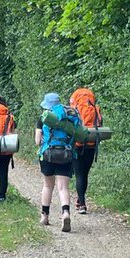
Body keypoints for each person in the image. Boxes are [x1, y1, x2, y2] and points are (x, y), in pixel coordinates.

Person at [35, 91, 79, 233]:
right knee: (63, 187)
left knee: (48, 185)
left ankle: (44, 216)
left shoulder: (44, 118)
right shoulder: (69, 115)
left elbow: (37, 142)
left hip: (48, 153)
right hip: (66, 154)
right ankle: (65, 212)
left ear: (47, 105)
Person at [69, 87, 103, 215]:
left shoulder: (72, 110)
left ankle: (81, 203)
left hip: (77, 145)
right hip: (91, 144)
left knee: (79, 174)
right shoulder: (95, 109)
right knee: (85, 173)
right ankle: (81, 199)